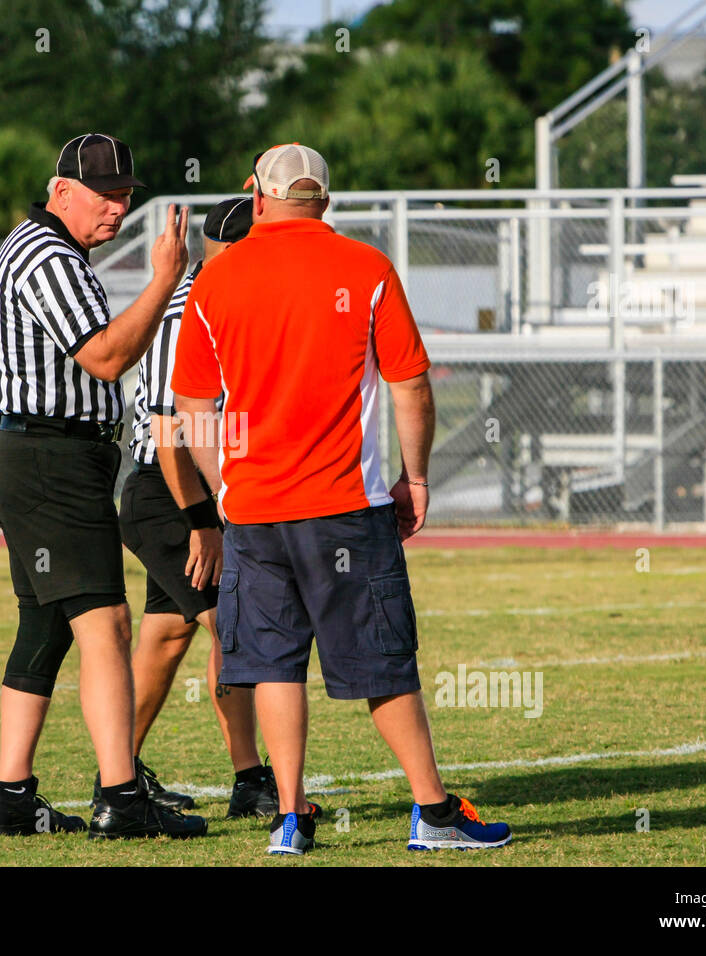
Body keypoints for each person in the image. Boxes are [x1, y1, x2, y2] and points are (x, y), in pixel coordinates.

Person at [170, 143, 512, 855]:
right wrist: (416, 479)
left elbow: (192, 404)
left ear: (256, 197)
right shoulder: (366, 269)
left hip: (256, 510)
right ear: (324, 201)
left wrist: (225, 489)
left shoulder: (215, 280)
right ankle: (433, 811)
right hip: (344, 505)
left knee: (271, 662)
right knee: (382, 662)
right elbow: (411, 384)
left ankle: (290, 817)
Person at [0, 132, 206, 841]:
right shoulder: (47, 255)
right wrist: (164, 280)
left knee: (44, 624)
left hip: (40, 455)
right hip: (50, 460)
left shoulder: (48, 249)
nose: (117, 209)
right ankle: (120, 795)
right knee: (106, 623)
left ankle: (13, 798)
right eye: (105, 195)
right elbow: (107, 357)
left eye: (125, 196)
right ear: (61, 191)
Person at [114, 197, 321, 819]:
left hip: (203, 490)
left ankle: (117, 775)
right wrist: (204, 522)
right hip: (170, 490)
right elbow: (170, 426)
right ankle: (250, 780)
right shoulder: (195, 308)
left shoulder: (230, 299)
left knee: (166, 636)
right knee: (234, 626)